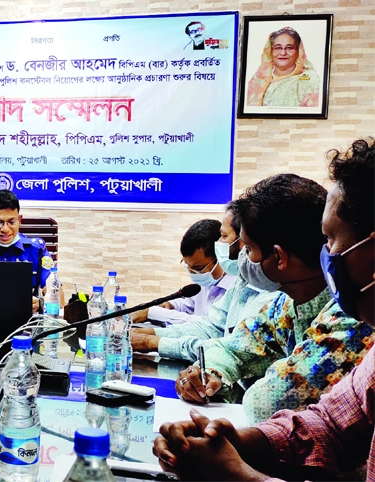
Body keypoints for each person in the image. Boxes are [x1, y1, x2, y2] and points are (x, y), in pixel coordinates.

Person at [152, 138, 375, 481]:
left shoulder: (352, 324)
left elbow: (266, 402)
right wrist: (233, 438)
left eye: (330, 240)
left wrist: (235, 473)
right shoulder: (288, 305)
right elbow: (330, 425)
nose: (325, 252)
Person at [173, 173, 372, 424]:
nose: (242, 258)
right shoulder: (288, 303)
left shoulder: (354, 318)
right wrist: (210, 374)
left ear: (279, 258)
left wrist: (241, 380)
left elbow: (266, 403)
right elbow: (232, 347)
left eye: (248, 248)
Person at [130, 206, 282, 362]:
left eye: (223, 236)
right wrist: (149, 335)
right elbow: (210, 327)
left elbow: (236, 350)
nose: (218, 243)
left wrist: (151, 342)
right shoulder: (243, 281)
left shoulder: (275, 295)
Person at [132, 219, 236, 325]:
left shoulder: (236, 288)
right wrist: (170, 305)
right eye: (187, 265)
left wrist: (153, 313)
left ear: (220, 257)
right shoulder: (206, 283)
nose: (192, 272)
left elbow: (211, 326)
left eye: (198, 267)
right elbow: (188, 305)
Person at [246, 26, 320, 107]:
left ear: (298, 52)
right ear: (270, 51)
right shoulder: (258, 80)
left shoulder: (310, 80)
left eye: (289, 48)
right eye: (278, 48)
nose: (283, 53)